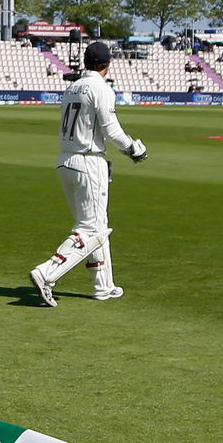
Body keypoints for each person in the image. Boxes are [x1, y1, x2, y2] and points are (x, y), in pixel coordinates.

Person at [28, 41, 148, 307]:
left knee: (97, 225)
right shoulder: (101, 88)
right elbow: (111, 130)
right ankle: (47, 273)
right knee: (90, 228)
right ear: (107, 64)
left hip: (65, 159)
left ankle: (103, 286)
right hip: (88, 161)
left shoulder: (72, 87)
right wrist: (133, 149)